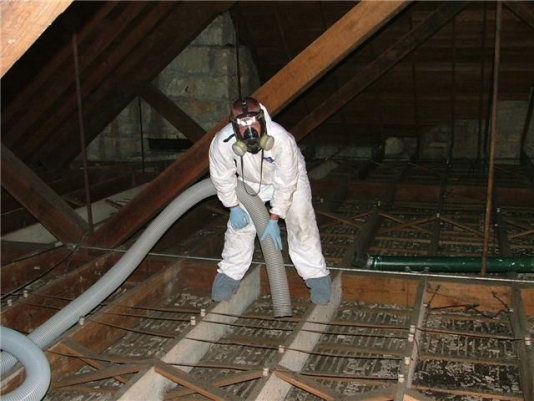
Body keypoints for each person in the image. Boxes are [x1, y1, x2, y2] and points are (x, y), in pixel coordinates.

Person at [208, 96, 331, 305]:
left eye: (253, 121)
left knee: (301, 223)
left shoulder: (281, 139)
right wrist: (233, 206)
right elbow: (222, 177)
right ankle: (229, 275)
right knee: (240, 229)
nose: (249, 129)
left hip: (288, 177)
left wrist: (274, 217)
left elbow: (285, 183)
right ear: (234, 124)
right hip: (249, 180)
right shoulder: (223, 142)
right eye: (242, 124)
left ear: (262, 119)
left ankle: (317, 277)